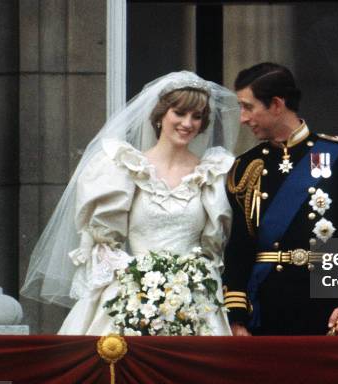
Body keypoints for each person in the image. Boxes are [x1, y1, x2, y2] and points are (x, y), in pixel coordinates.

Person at [20, 71, 241, 335]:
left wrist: (186, 281)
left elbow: (214, 249)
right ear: (161, 115)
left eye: (197, 116)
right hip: (131, 293)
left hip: (195, 300)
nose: (187, 123)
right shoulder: (123, 167)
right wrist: (140, 280)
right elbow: (104, 244)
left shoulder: (214, 173)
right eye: (179, 113)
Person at [222, 62, 338, 336]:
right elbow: (237, 249)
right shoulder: (246, 167)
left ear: (277, 104)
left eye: (248, 107)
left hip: (326, 307)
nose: (243, 118)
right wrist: (237, 317)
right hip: (264, 308)